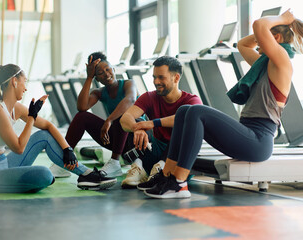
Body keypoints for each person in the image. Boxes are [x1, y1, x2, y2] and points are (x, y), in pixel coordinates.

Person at [143, 9, 303, 199]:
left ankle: (179, 183)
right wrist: (270, 32)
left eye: (264, 40)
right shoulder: (265, 64)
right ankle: (167, 175)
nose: (259, 43)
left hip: (258, 141)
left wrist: (283, 20)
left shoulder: (282, 61)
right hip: (248, 135)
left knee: (196, 112)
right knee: (185, 110)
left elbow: (259, 26)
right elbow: (244, 44)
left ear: (275, 38)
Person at [0, 64, 116, 193]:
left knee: (43, 136)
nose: (26, 87)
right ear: (14, 82)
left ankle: (87, 175)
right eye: (24, 82)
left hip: (4, 163)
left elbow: (48, 125)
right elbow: (19, 148)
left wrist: (67, 149)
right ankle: (35, 179)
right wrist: (31, 118)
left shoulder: (15, 108)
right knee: (45, 174)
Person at [50, 52, 139, 178]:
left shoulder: (129, 83)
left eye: (108, 69)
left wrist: (109, 120)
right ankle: (64, 162)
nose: (107, 74)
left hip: (137, 138)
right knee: (82, 116)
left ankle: (115, 162)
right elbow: (82, 107)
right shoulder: (99, 92)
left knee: (122, 115)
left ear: (113, 69)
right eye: (101, 73)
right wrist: (88, 78)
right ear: (97, 78)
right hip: (118, 140)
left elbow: (130, 100)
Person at [120, 56, 202, 188]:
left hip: (179, 158)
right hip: (156, 153)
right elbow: (125, 118)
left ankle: (163, 171)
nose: (156, 81)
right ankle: (139, 168)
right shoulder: (149, 97)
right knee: (135, 122)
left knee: (185, 124)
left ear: (176, 78)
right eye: (154, 77)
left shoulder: (192, 100)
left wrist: (153, 123)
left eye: (161, 77)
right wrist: (137, 128)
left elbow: (185, 118)